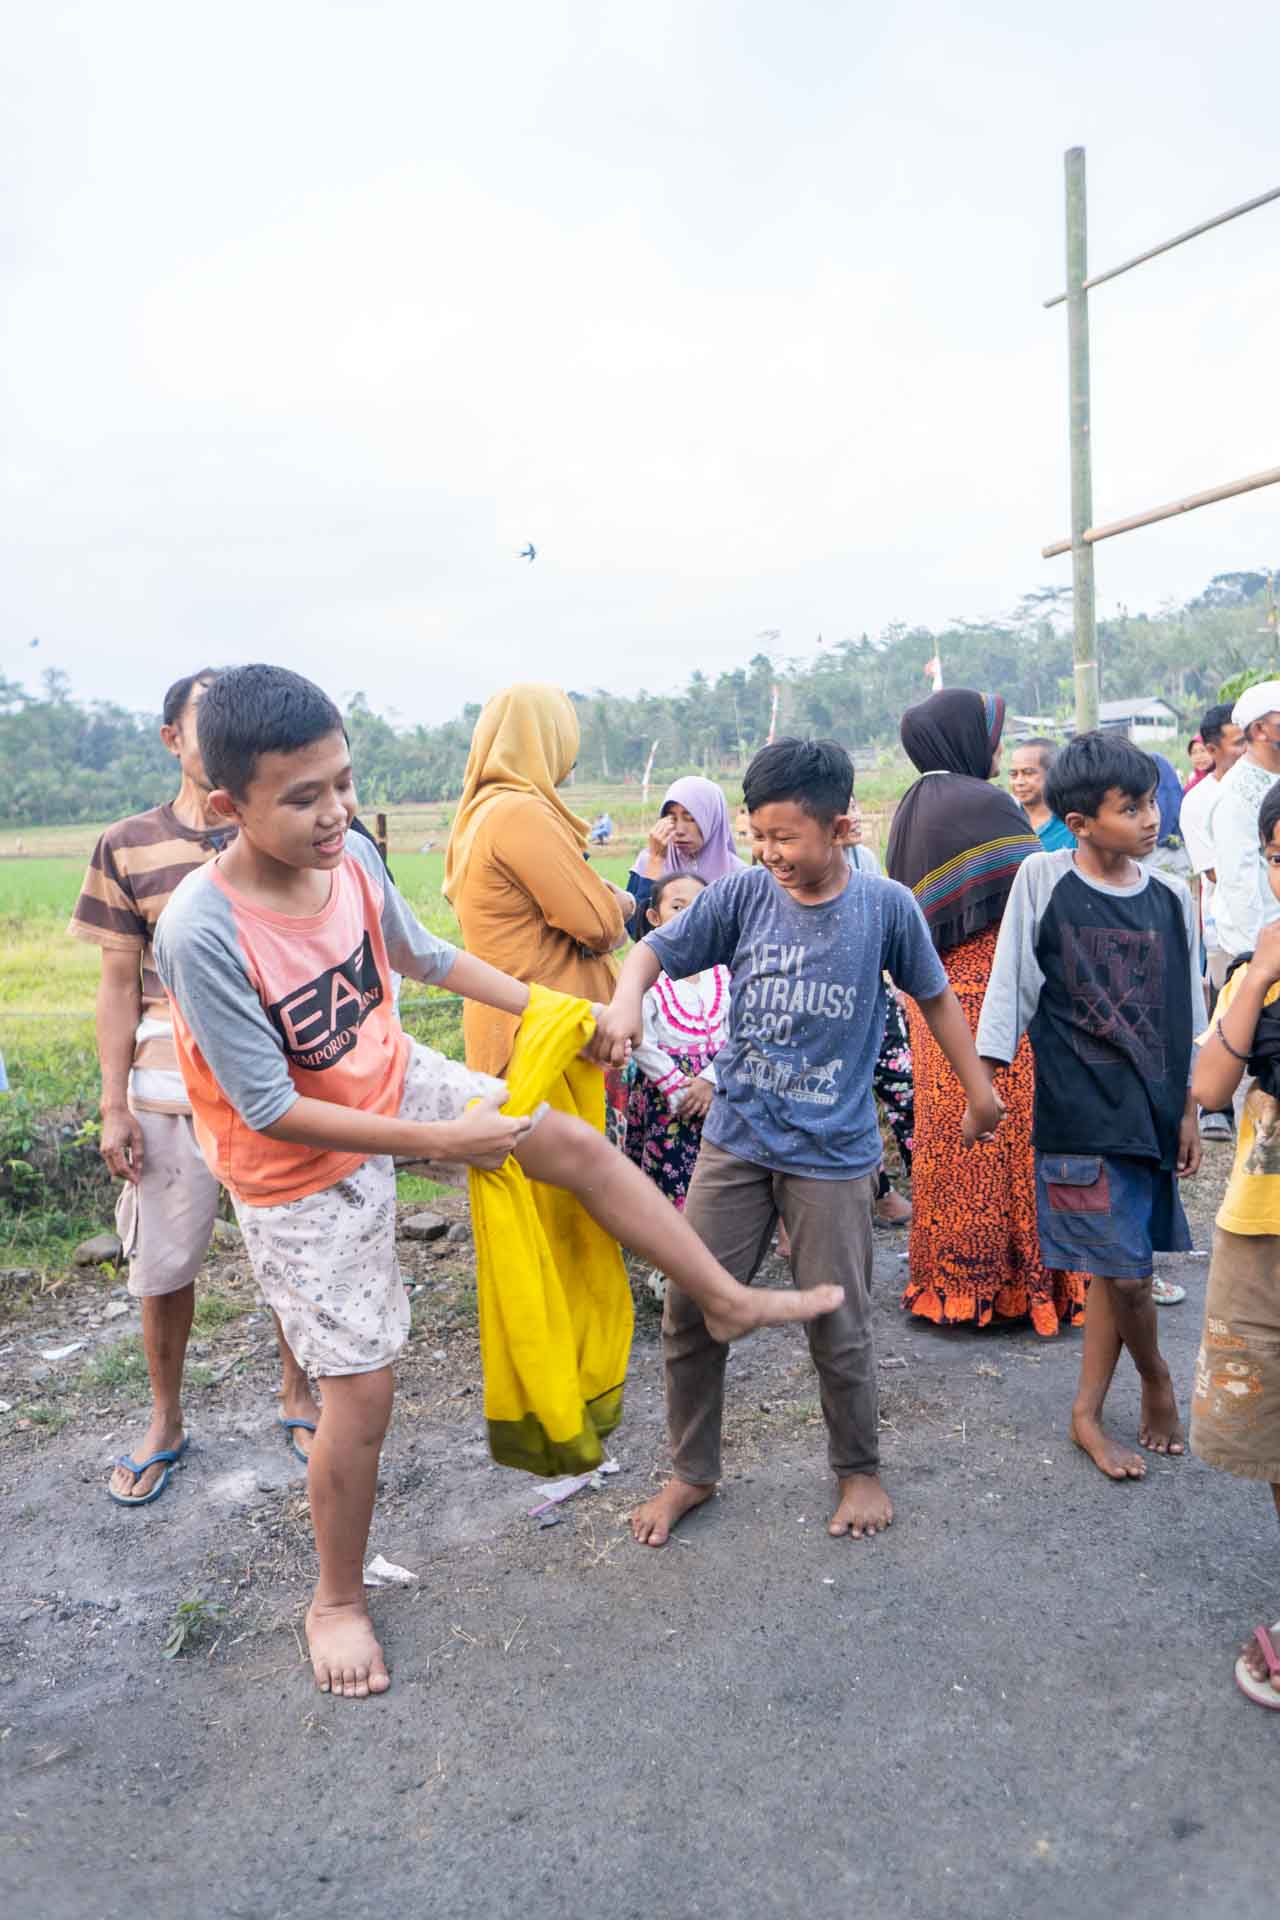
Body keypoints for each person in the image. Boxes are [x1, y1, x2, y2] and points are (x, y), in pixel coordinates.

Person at [155, 666, 843, 1699]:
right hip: (294, 1169)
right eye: (302, 797)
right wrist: (442, 1143)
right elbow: (268, 1108)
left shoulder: (351, 860)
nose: (335, 812)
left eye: (343, 783)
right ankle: (334, 1598)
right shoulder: (202, 929)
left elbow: (428, 958)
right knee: (363, 1393)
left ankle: (723, 1293)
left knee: (572, 1144)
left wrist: (565, 1013)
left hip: (386, 1075)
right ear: (226, 806)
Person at [589, 737, 1004, 1549]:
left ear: (841, 827)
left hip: (833, 1154)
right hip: (736, 1140)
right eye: (757, 835)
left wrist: (978, 1090)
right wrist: (627, 1001)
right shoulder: (743, 895)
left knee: (838, 1325)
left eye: (785, 836)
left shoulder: (885, 907)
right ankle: (692, 1471)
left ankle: (858, 1468)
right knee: (690, 1309)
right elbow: (651, 950)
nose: (769, 852)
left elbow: (935, 998)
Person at [68, 668, 319, 1503]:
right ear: (173, 738)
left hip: (274, 1082)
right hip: (168, 1088)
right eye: (205, 721)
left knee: (290, 1247)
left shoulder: (282, 827)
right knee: (164, 1264)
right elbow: (117, 985)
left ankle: (298, 1395)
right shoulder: (127, 843)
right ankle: (165, 1418)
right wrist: (113, 1104)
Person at [974, 731, 1203, 1480]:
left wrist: (1190, 1109)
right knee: (1127, 1273)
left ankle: (1085, 1414)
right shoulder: (1043, 879)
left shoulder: (1170, 898)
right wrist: (985, 1084)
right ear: (1078, 823)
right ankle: (1157, 1378)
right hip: (1078, 1111)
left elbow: (1187, 1012)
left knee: (1116, 1265)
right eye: (1129, 808)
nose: (1150, 818)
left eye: (1150, 803)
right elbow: (1010, 982)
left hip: (1150, 1110)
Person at [886, 689, 1088, 1336]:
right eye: (990, 733)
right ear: (965, 738)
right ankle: (1019, 1286)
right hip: (994, 994)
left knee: (951, 1137)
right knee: (1009, 1136)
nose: (998, 747)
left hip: (933, 1001)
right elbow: (1038, 895)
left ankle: (953, 1282)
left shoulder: (913, 806)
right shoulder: (984, 802)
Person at [1188, 781, 1280, 1708]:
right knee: (1273, 1431)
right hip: (1261, 1230)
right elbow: (1213, 1087)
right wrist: (1254, 978)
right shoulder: (1261, 967)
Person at [441, 684, 633, 1092]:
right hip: (542, 1037)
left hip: (519, 1027)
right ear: (549, 737)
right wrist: (625, 904)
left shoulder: (481, 810)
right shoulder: (520, 812)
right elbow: (599, 925)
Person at [624, 873, 730, 1223]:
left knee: (719, 1176)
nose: (689, 916)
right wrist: (677, 1087)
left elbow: (738, 1030)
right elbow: (640, 1039)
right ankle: (668, 1247)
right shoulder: (646, 975)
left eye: (699, 906)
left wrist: (712, 1079)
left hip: (721, 1090)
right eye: (677, 907)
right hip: (668, 1096)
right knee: (670, 1175)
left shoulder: (724, 971)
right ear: (654, 917)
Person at [1180, 702, 1247, 1143]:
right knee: (1224, 1009)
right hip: (1226, 923)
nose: (1246, 749)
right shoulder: (1199, 801)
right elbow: (1215, 871)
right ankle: (1216, 1107)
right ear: (1211, 747)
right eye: (1238, 741)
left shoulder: (1265, 787)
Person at [846, 797, 913, 1227]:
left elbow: (886, 933)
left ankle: (932, 1186)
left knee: (905, 1089)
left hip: (874, 996)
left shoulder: (865, 860)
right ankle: (880, 1192)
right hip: (831, 1004)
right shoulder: (783, 872)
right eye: (845, 807)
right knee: (846, 1100)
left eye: (855, 805)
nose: (854, 816)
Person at [1210, 681, 1280, 966]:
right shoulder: (1236, 793)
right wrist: (1257, 959)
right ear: (1260, 730)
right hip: (1261, 950)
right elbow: (1239, 881)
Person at [624, 776, 745, 940]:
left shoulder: (739, 875)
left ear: (713, 818)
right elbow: (636, 931)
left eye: (691, 819)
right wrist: (655, 861)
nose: (680, 830)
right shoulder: (648, 862)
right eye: (672, 818)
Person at [1009, 737, 1076, 851]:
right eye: (1013, 774)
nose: (1019, 782)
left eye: (1028, 773)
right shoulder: (1007, 820)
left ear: (1053, 773)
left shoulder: (1073, 825)